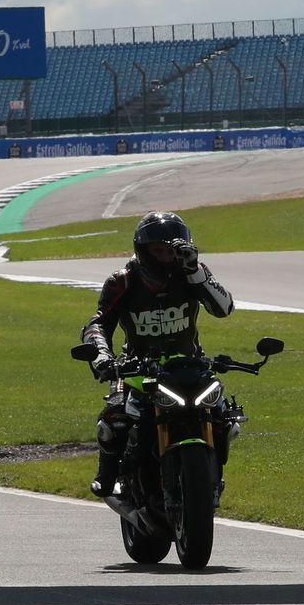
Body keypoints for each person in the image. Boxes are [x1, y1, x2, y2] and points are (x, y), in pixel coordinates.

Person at [78, 211, 233, 496]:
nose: (166, 257)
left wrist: (195, 271)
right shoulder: (123, 281)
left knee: (224, 416)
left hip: (189, 364)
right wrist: (102, 356)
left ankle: (211, 478)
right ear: (143, 250)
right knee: (115, 419)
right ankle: (108, 474)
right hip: (135, 367)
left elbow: (224, 309)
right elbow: (99, 322)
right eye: (158, 251)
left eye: (171, 250)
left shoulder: (192, 274)